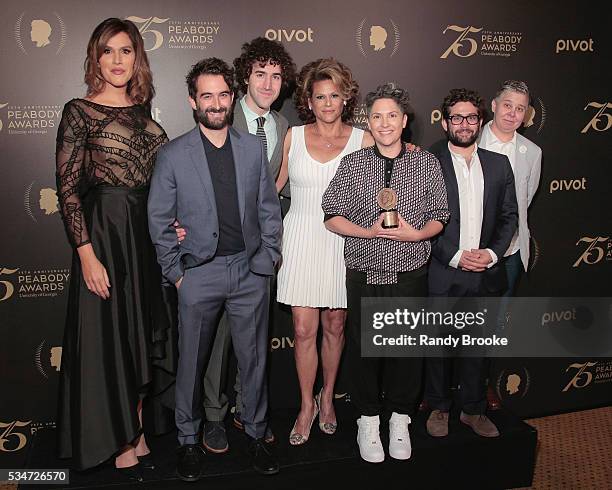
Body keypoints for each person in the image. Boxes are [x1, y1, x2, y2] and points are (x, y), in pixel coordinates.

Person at [147, 58, 282, 481]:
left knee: (254, 360)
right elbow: (158, 219)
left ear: (232, 97)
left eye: (223, 94)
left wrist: (267, 261)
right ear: (193, 101)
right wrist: (178, 273)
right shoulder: (172, 155)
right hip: (198, 273)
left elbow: (268, 210)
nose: (217, 103)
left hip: (248, 271)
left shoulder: (250, 149)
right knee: (192, 363)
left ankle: (257, 434)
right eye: (207, 95)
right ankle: (188, 440)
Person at [55, 18, 172, 480]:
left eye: (127, 51)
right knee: (110, 339)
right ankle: (117, 437)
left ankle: (137, 428)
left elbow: (161, 188)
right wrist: (86, 253)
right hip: (102, 236)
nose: (118, 60)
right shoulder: (78, 111)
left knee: (138, 336)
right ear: (96, 58)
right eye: (109, 51)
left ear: (137, 57)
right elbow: (66, 189)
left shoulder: (147, 117)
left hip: (143, 240)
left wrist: (174, 229)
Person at [322, 82, 449, 463]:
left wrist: (415, 234)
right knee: (363, 351)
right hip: (363, 271)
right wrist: (368, 231)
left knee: (405, 351)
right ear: (369, 122)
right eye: (376, 116)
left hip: (409, 273)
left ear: (404, 120)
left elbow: (440, 217)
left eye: (392, 115)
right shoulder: (353, 163)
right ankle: (366, 420)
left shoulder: (426, 163)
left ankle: (399, 419)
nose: (384, 123)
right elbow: (331, 216)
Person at [199, 37, 295, 453]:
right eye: (260, 74)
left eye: (276, 76)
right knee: (217, 342)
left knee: (253, 342)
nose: (268, 83)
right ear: (245, 78)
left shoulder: (285, 127)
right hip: (219, 252)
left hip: (260, 252)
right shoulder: (221, 115)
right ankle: (213, 417)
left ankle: (247, 409)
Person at [274, 58, 374, 445]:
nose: (328, 103)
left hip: (344, 241)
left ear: (345, 98)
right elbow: (272, 190)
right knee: (302, 329)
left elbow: (387, 182)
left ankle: (328, 397)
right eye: (320, 96)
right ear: (309, 101)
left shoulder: (363, 139)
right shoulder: (293, 137)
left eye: (334, 95)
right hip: (300, 236)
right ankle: (306, 405)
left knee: (335, 325)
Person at [425, 88, 518, 439]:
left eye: (471, 117)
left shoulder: (499, 164)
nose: (464, 124)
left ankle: (473, 409)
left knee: (477, 347)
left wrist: (491, 255)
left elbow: (509, 216)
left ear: (481, 121)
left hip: (485, 274)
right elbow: (421, 216)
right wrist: (455, 255)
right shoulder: (428, 161)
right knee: (438, 347)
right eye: (456, 117)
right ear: (445, 121)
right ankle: (438, 408)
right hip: (444, 270)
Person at [478, 80, 542, 409]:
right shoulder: (468, 139)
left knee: (495, 323)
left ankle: (483, 385)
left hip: (511, 254)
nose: (512, 113)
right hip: (469, 254)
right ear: (493, 104)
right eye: (507, 105)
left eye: (519, 108)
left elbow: (523, 203)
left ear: (526, 114)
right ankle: (442, 391)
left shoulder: (532, 153)